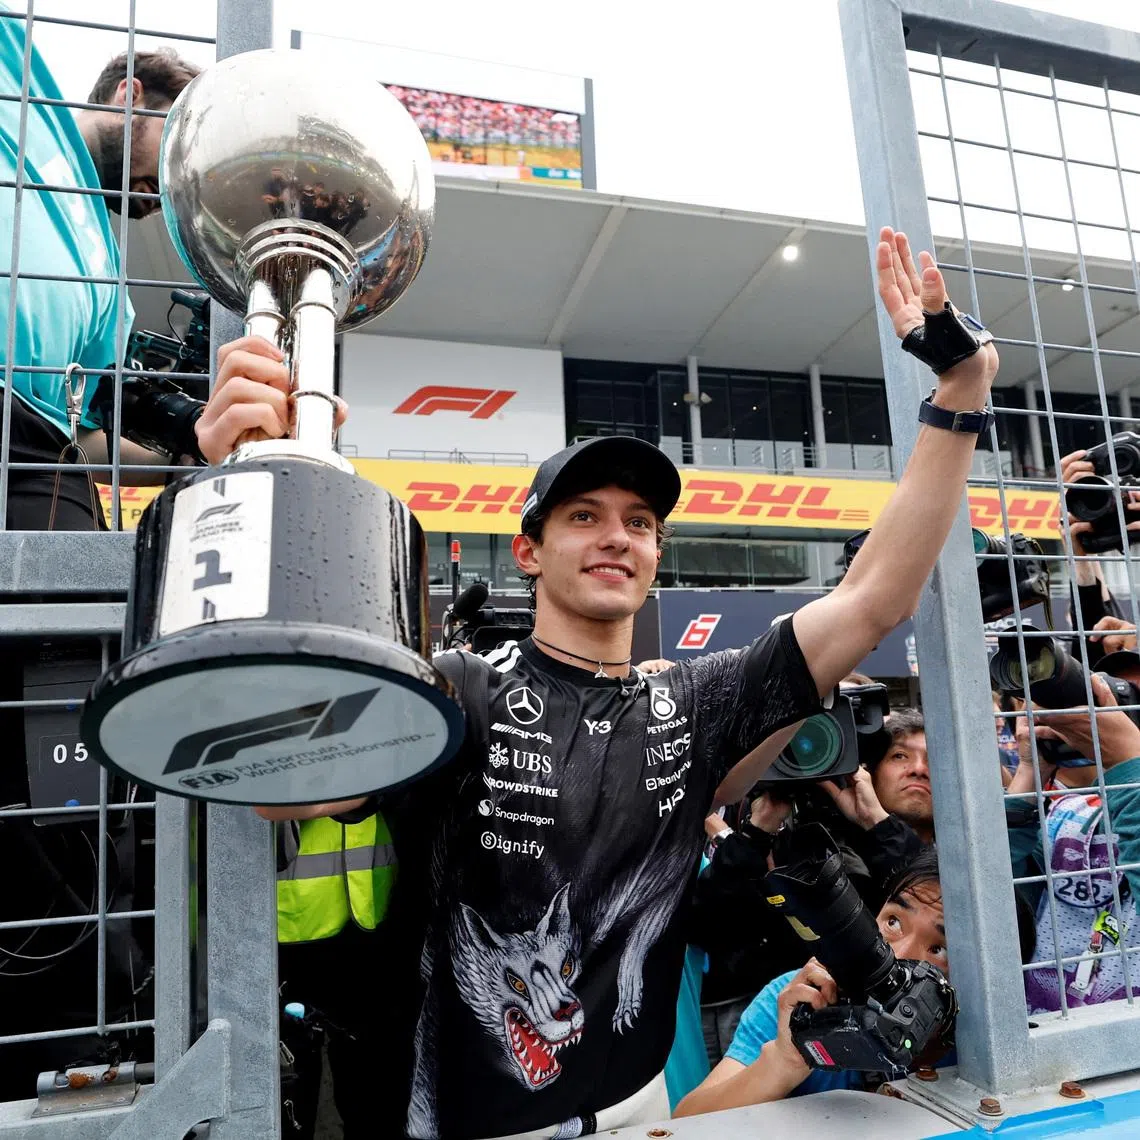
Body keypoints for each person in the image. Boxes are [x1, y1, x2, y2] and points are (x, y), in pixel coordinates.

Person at [202, 227, 1000, 1139]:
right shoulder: (459, 688)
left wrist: (959, 394)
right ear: (531, 553)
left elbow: (873, 600)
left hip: (643, 1112)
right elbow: (279, 790)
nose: (617, 535)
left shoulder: (696, 702)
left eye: (639, 521)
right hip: (461, 1121)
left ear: (658, 555)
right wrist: (261, 492)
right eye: (584, 516)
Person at [0, 14, 199, 530]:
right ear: (129, 95)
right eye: (177, 151)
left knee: (82, 602)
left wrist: (197, 432)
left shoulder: (111, 282)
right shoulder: (22, 96)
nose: (173, 189)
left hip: (37, 444)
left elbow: (90, 434)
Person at [673, 848, 949, 1114]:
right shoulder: (800, 1000)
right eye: (894, 922)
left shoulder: (983, 1047)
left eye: (939, 949)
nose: (899, 954)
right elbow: (686, 1124)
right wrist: (785, 1060)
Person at [1005, 674, 1140, 1014]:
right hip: (1040, 1030)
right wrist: (1029, 770)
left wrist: (1128, 761)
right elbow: (998, 882)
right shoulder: (1066, 810)